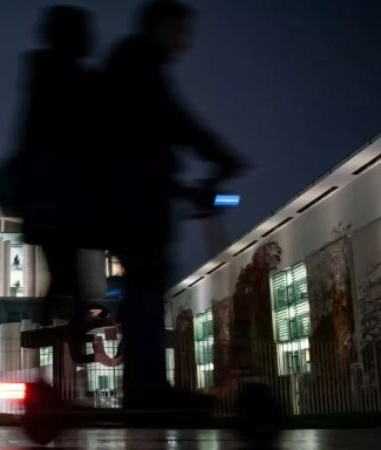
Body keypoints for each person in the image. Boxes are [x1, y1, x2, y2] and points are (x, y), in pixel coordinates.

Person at [90, 0, 245, 410]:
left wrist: (185, 183)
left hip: (135, 197)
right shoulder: (137, 63)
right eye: (180, 31)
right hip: (133, 202)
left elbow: (156, 134)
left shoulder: (135, 63)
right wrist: (220, 154)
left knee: (146, 289)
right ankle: (147, 390)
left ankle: (145, 387)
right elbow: (171, 123)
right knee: (146, 288)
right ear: (161, 27)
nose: (185, 41)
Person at [7, 5, 96, 323]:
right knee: (66, 269)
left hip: (48, 196)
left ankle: (55, 322)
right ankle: (60, 323)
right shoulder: (67, 77)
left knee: (64, 270)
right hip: (57, 196)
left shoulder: (45, 72)